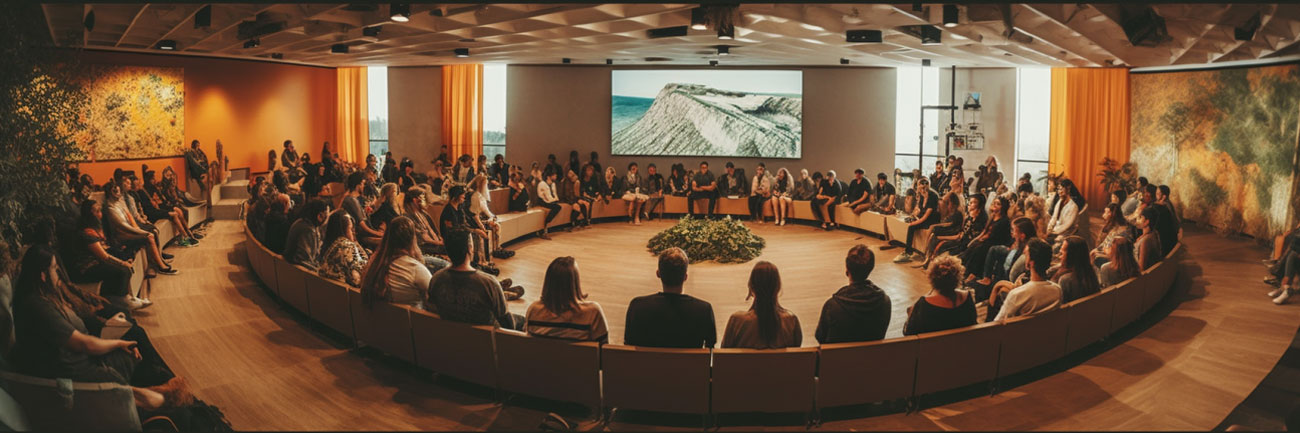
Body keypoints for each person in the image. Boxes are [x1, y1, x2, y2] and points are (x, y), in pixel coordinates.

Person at [11, 248, 190, 410]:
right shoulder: (39, 307)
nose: (58, 273)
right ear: (43, 275)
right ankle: (169, 396)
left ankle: (170, 388)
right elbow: (83, 344)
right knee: (137, 347)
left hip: (88, 353)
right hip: (83, 365)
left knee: (136, 345)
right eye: (54, 269)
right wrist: (118, 342)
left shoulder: (47, 295)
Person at [426, 230, 526, 329]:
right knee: (522, 320)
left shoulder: (437, 279)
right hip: (485, 339)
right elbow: (507, 324)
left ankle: (505, 295)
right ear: (470, 249)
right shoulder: (488, 282)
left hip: (451, 335)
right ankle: (504, 296)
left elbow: (432, 309)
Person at [623, 247, 716, 348]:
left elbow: (629, 342)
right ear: (685, 277)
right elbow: (710, 348)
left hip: (648, 363)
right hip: (688, 364)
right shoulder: (703, 310)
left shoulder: (637, 306)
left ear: (658, 274)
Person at [68, 200, 144, 310]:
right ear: (89, 214)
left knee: (126, 262)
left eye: (100, 211)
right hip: (86, 267)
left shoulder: (96, 226)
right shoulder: (86, 232)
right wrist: (122, 263)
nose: (100, 214)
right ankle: (120, 302)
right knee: (123, 270)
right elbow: (104, 256)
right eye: (97, 211)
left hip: (96, 261)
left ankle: (125, 299)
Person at [814, 245, 891, 343]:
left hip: (839, 358)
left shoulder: (832, 305)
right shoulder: (885, 301)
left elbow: (820, 337)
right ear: (871, 268)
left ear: (847, 269)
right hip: (873, 357)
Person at [525, 257, 609, 342]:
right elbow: (604, 347)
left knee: (518, 320)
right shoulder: (593, 312)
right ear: (574, 282)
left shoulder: (534, 310)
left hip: (542, 355)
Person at [721, 261, 802, 349]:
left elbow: (723, 354)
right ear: (777, 287)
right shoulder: (791, 321)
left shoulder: (737, 321)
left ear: (751, 286)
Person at [101, 181, 176, 276]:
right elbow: (123, 226)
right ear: (110, 192)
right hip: (120, 236)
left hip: (128, 232)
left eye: (119, 191)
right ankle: (160, 266)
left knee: (152, 232)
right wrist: (142, 232)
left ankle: (158, 261)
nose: (119, 194)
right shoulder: (109, 207)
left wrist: (139, 229)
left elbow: (130, 216)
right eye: (116, 191)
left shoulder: (119, 202)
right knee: (149, 236)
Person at [360, 216, 432, 309]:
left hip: (381, 321)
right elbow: (435, 301)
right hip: (413, 322)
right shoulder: (415, 268)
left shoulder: (374, 265)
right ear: (412, 240)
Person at [903, 255, 976, 335]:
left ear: (932, 277)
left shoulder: (924, 304)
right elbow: (973, 323)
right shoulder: (967, 297)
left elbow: (909, 334)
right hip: (964, 345)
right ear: (958, 277)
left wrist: (910, 314)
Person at [991, 239, 1061, 321]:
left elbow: (997, 324)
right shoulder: (1057, 290)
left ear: (1031, 262)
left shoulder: (1016, 295)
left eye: (1026, 254)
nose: (1024, 257)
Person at [921, 193, 987, 268]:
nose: (970, 204)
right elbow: (960, 234)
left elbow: (967, 238)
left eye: (973, 202)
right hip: (960, 241)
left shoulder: (981, 220)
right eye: (970, 202)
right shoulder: (968, 217)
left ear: (980, 205)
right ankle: (929, 262)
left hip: (967, 246)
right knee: (939, 241)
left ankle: (936, 267)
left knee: (943, 246)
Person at [960, 196, 1012, 282]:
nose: (995, 205)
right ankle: (965, 271)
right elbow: (984, 232)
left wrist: (982, 240)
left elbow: (997, 237)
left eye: (998, 204)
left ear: (1003, 207)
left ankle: (973, 274)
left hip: (995, 242)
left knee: (980, 249)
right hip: (987, 241)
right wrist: (975, 240)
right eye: (994, 203)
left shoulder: (1004, 221)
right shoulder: (992, 217)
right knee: (973, 247)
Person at [916, 192, 967, 269]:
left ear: (952, 202)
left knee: (935, 232)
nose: (945, 204)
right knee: (933, 233)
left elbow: (950, 225)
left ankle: (929, 259)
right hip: (950, 229)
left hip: (953, 232)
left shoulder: (957, 213)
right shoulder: (952, 211)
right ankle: (927, 257)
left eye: (947, 202)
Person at [319, 211, 370, 287]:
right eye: (351, 229)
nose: (354, 233)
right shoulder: (346, 246)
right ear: (341, 230)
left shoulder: (329, 246)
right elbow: (357, 280)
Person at [894, 177, 939, 263]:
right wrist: (913, 217)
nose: (924, 186)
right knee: (909, 221)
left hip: (932, 220)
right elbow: (920, 210)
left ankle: (908, 252)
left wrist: (914, 223)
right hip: (925, 217)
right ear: (918, 186)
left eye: (926, 184)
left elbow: (926, 216)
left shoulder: (932, 196)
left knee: (911, 227)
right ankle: (909, 250)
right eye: (921, 184)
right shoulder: (922, 195)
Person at [468, 175, 512, 261]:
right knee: (495, 225)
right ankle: (495, 250)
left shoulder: (479, 195)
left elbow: (486, 211)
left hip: (478, 219)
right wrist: (482, 226)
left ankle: (497, 248)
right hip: (474, 222)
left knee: (495, 224)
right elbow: (474, 215)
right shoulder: (475, 196)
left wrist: (492, 217)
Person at [341, 172, 384, 249]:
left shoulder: (353, 199)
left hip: (365, 234)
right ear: (358, 186)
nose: (364, 186)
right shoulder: (352, 200)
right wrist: (379, 234)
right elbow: (363, 227)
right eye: (363, 184)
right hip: (362, 236)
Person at [283, 199, 328, 270]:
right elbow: (303, 260)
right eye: (326, 215)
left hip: (290, 268)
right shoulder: (308, 230)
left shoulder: (301, 222)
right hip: (296, 273)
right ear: (320, 216)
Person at [1053, 236, 1101, 303]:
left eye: (1062, 253)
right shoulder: (1092, 272)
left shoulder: (1066, 280)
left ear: (1071, 256)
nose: (1059, 256)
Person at [1091, 203, 1137, 267]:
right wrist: (1098, 249)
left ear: (1112, 214)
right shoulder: (1113, 228)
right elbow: (1103, 244)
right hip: (1109, 252)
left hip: (1118, 259)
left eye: (1107, 212)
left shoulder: (1122, 230)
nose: (1103, 215)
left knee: (1095, 256)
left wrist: (1100, 250)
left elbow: (1113, 252)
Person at [536, 169, 562, 239]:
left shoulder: (553, 184)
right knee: (557, 207)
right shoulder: (542, 184)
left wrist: (556, 200)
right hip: (543, 201)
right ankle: (545, 224)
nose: (556, 176)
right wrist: (553, 201)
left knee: (558, 206)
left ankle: (547, 225)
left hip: (551, 200)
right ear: (549, 177)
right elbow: (546, 198)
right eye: (554, 175)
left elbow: (554, 194)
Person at [1135, 207, 1163, 271]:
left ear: (1146, 222)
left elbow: (1141, 268)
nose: (1137, 220)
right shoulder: (1153, 233)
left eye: (1140, 217)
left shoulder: (1146, 241)